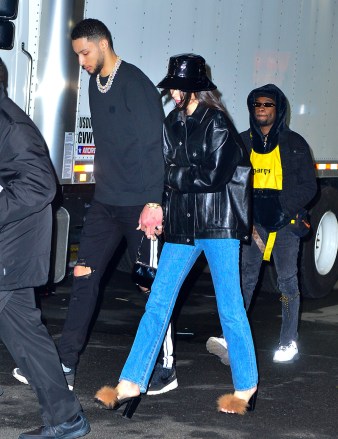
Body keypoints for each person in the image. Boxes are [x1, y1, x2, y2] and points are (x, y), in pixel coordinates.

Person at [12, 18, 177, 396]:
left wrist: (155, 202)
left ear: (103, 44)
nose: (82, 61)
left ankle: (165, 366)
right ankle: (65, 363)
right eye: (77, 55)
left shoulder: (135, 84)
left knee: (152, 287)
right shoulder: (93, 84)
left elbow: (154, 147)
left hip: (139, 205)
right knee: (84, 279)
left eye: (85, 53)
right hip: (106, 201)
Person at [94, 53, 258, 417]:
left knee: (230, 309)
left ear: (195, 88)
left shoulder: (217, 124)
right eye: (171, 86)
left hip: (218, 226)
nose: (172, 92)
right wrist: (158, 205)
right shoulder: (172, 122)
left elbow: (212, 177)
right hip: (183, 227)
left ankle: (246, 387)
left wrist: (171, 177)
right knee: (157, 303)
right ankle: (131, 381)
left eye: (177, 86)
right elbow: (162, 168)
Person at [0, 58, 90, 439]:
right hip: (9, 249)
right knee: (26, 335)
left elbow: (41, 185)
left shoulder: (11, 125)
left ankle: (67, 418)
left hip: (11, 250)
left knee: (26, 335)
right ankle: (66, 418)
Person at [206, 84, 317, 364]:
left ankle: (288, 341)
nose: (262, 109)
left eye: (267, 105)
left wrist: (283, 208)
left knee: (287, 281)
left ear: (278, 110)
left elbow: (309, 186)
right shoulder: (242, 141)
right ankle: (232, 340)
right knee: (245, 279)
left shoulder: (295, 144)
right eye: (257, 105)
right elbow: (230, 182)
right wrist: (245, 217)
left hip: (284, 223)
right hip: (254, 225)